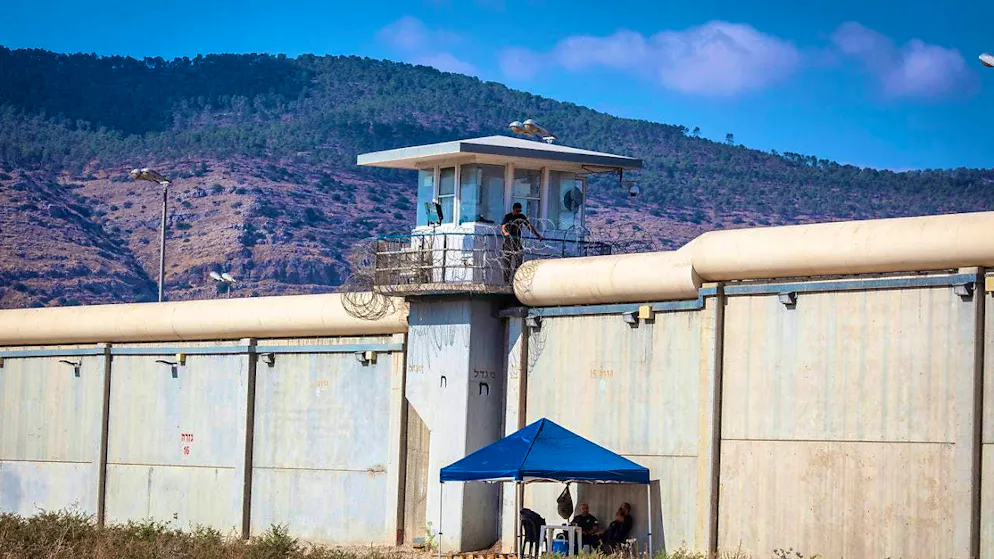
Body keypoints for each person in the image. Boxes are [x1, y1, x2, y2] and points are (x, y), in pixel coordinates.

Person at [500, 202, 542, 283]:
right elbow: (503, 226)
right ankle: (506, 282)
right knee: (507, 263)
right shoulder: (508, 216)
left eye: (519, 211)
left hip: (517, 241)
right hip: (508, 241)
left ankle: (515, 280)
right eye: (517, 211)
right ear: (513, 209)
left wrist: (537, 235)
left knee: (519, 260)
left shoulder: (521, 217)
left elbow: (529, 227)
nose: (518, 212)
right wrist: (505, 232)